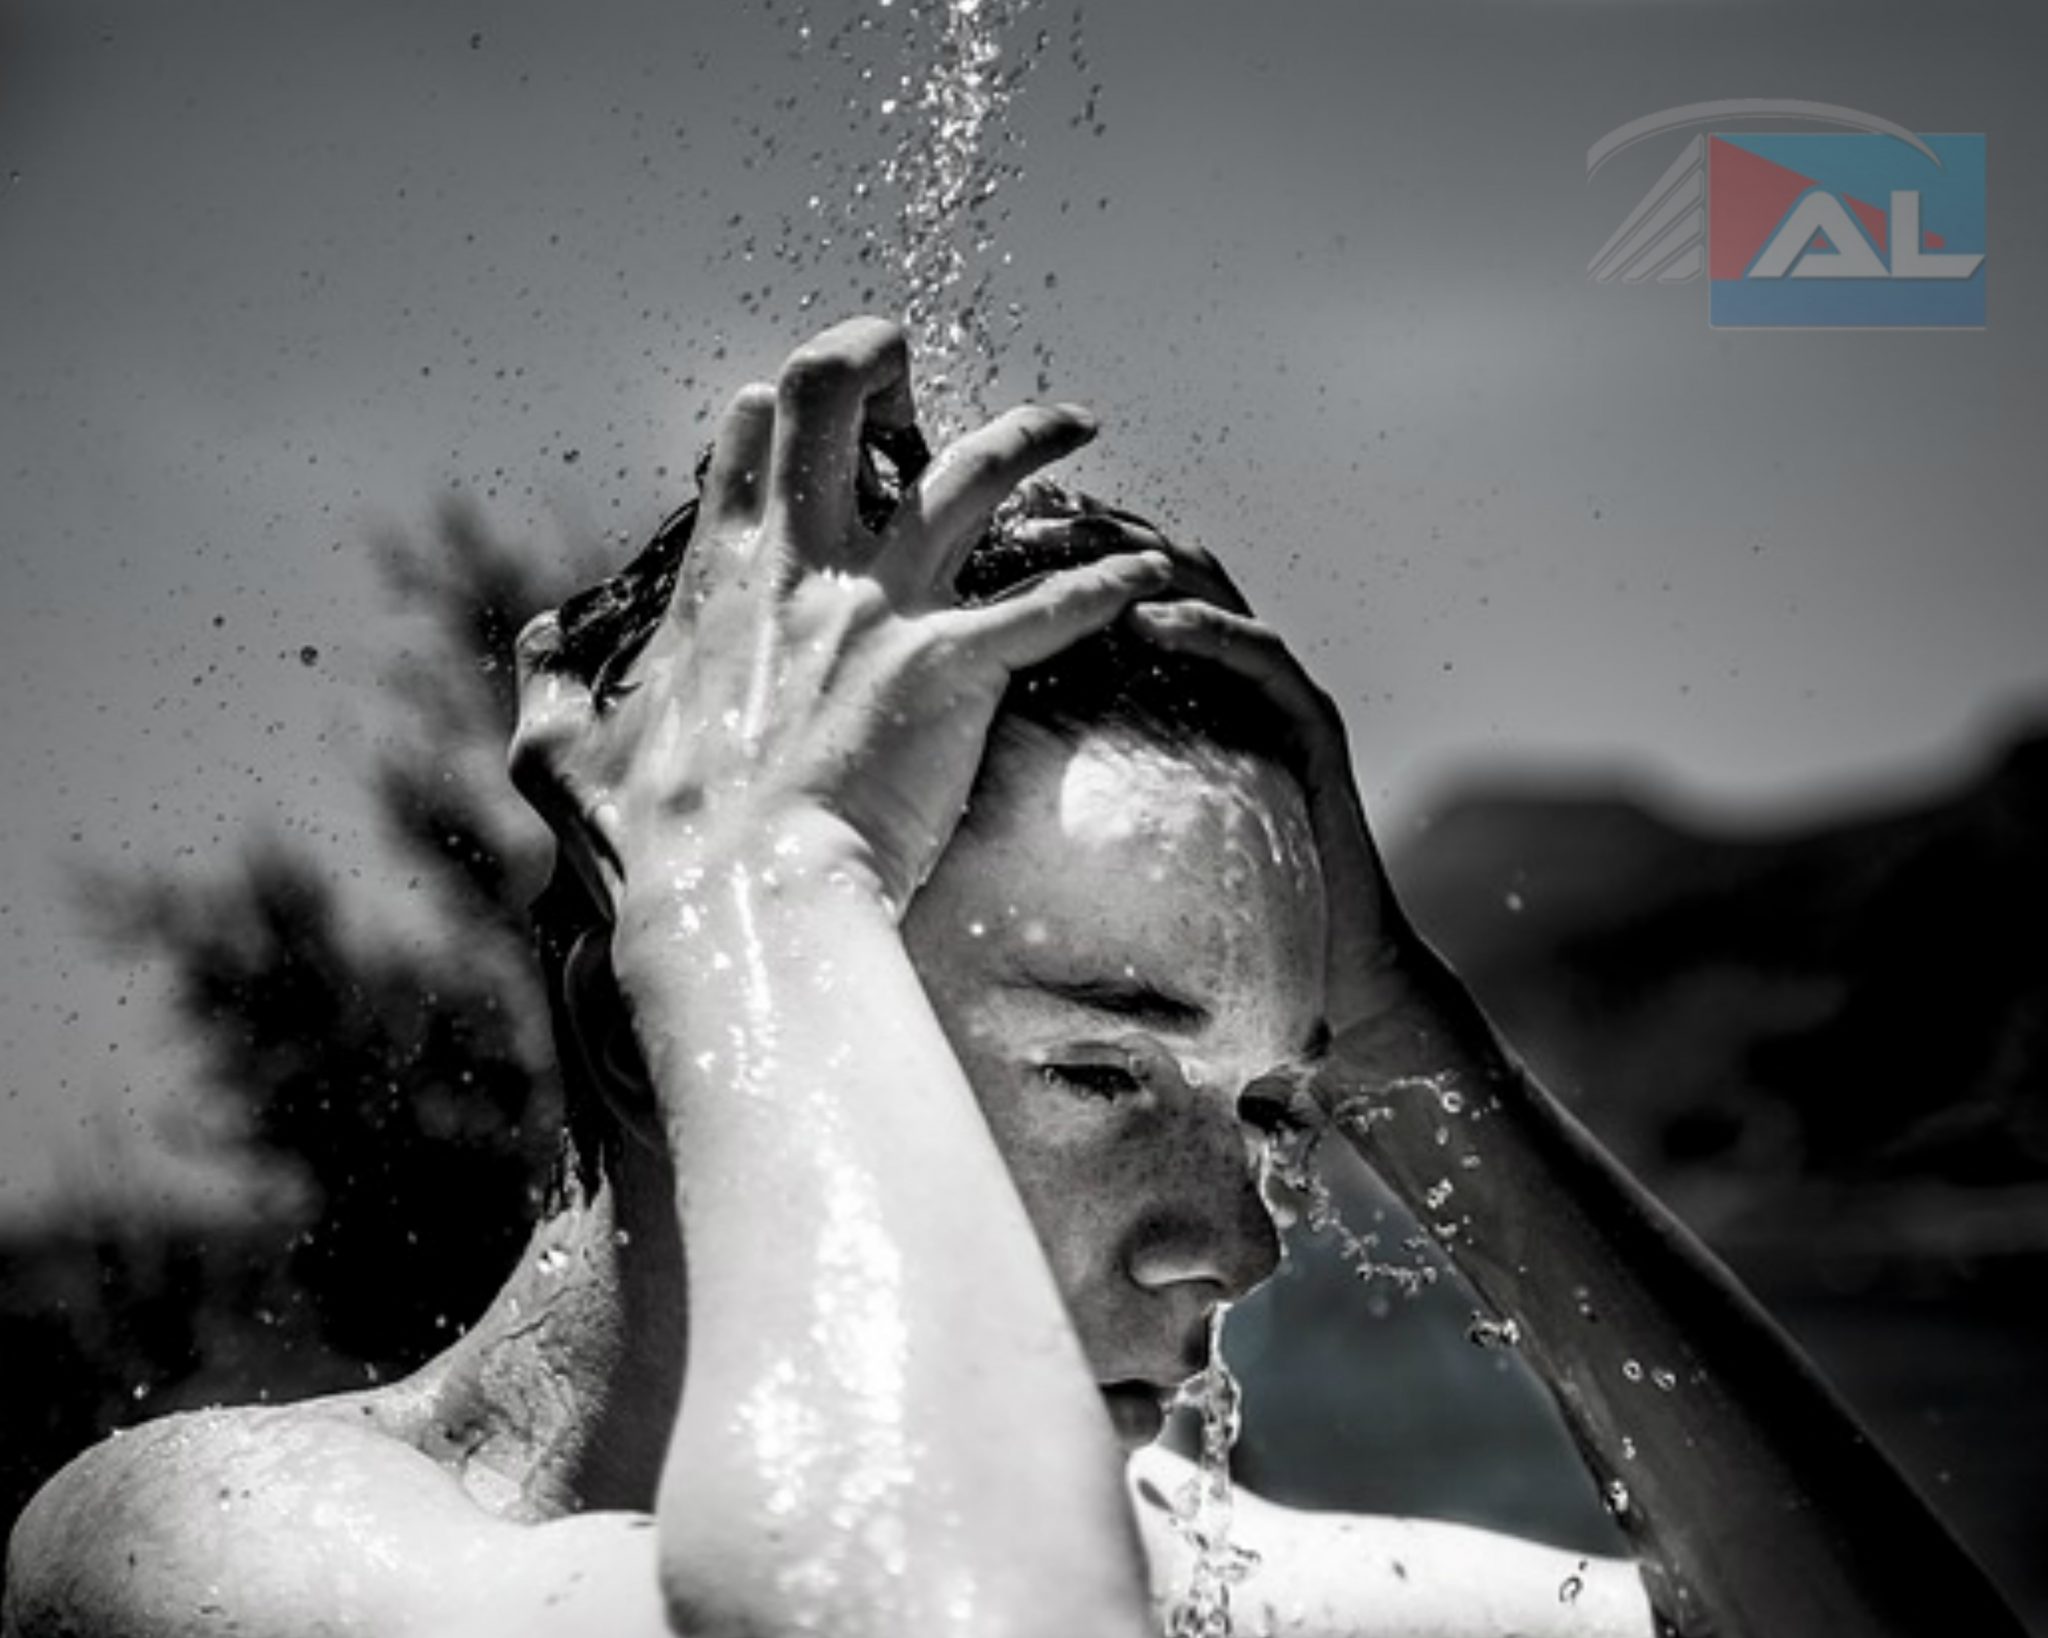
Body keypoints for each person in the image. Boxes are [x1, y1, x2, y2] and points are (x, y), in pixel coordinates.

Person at [3, 317, 2024, 1638]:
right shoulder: (206, 1553)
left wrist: (1409, 1037)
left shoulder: (1183, 1583)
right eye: (1097, 1078)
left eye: (1273, 1111)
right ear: (663, 1018)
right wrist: (757, 875)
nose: (1239, 1246)